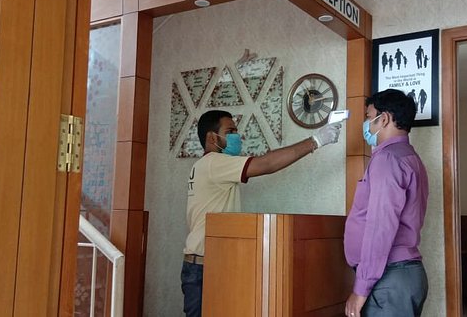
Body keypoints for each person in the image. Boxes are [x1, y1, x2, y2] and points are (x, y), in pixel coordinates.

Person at [182, 110, 342, 317]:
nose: (237, 136)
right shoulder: (214, 162)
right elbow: (266, 164)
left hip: (206, 263)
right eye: (230, 131)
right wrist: (316, 140)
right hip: (205, 268)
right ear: (212, 137)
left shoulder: (206, 165)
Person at [344, 89, 429, 317]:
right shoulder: (410, 156)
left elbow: (380, 227)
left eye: (368, 116)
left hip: (389, 278)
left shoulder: (387, 158)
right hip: (401, 277)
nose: (365, 123)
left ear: (384, 119)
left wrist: (361, 289)